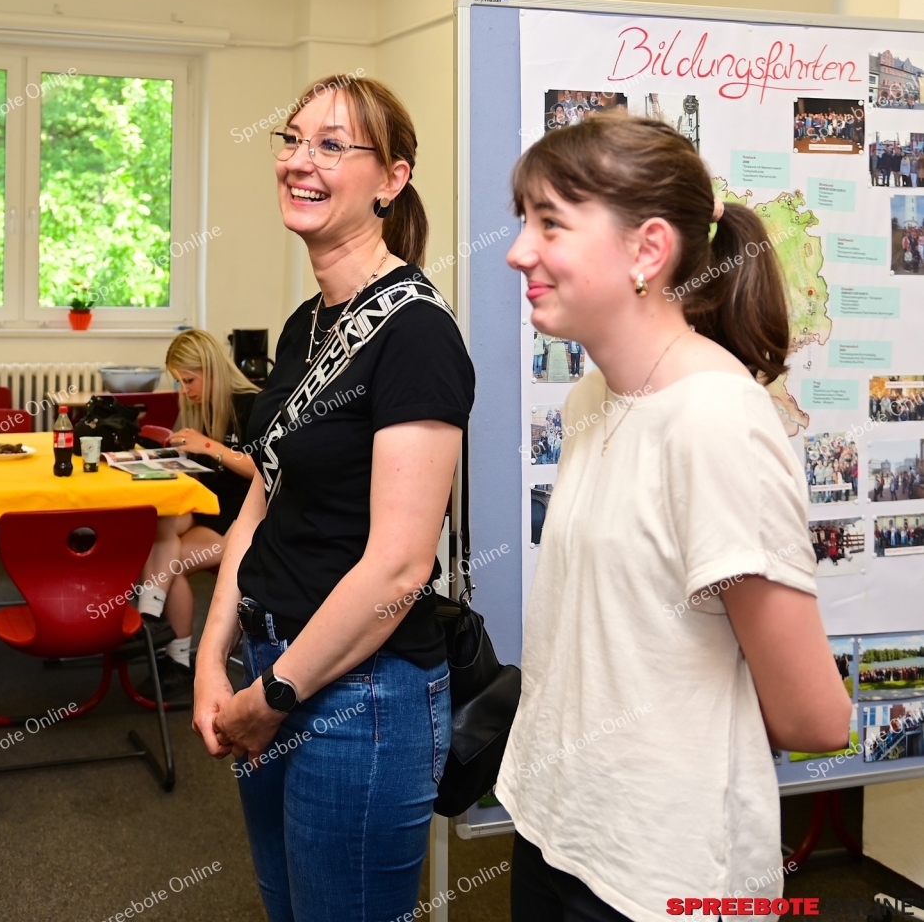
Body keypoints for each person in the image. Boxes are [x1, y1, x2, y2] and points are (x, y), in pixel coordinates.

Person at [498, 115, 850, 921]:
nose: (518, 252)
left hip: (662, 876)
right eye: (525, 221)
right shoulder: (594, 396)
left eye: (550, 223)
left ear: (647, 250)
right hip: (556, 831)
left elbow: (814, 715)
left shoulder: (716, 421)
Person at [193, 75, 473, 920]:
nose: (299, 161)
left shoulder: (417, 332)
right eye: (291, 140)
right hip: (269, 663)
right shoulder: (305, 325)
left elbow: (399, 568)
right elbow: (261, 502)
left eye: (330, 145)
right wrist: (212, 655)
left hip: (361, 697)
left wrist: (273, 697)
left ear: (392, 179)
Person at [132, 328, 258, 696]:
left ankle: (168, 645)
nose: (185, 390)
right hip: (206, 509)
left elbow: (261, 469)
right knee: (160, 522)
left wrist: (208, 445)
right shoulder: (200, 406)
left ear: (211, 369)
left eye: (189, 380)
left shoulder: (252, 404)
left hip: (238, 522)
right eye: (179, 382)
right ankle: (155, 624)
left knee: (167, 565)